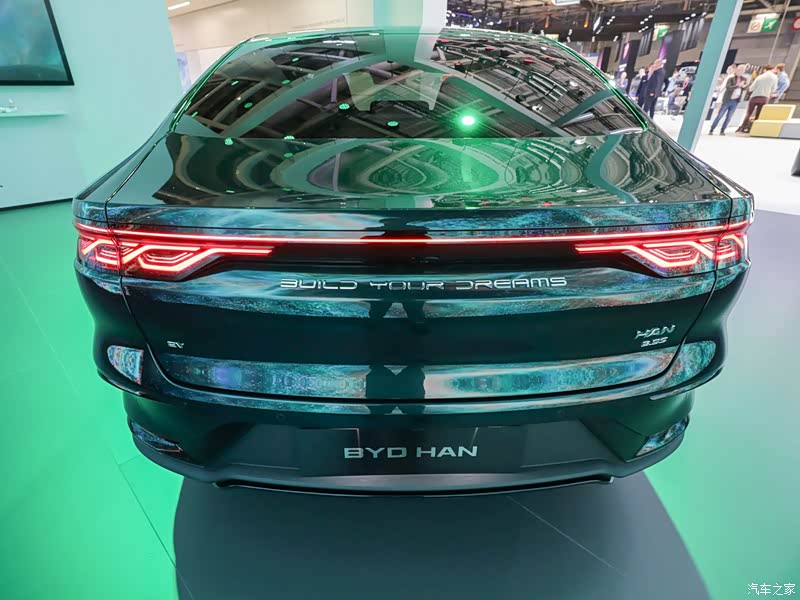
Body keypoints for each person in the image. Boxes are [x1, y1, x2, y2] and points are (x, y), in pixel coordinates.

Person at [737, 65, 778, 133]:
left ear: (765, 69)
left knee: (749, 113)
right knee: (759, 114)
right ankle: (753, 129)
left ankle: (743, 128)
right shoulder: (774, 77)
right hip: (765, 98)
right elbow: (774, 89)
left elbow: (751, 88)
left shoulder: (760, 77)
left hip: (754, 97)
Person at [710, 65, 747, 135]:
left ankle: (722, 130)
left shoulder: (744, 79)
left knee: (729, 117)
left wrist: (744, 87)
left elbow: (744, 88)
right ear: (737, 69)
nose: (741, 71)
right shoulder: (731, 78)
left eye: (743, 70)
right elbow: (728, 87)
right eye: (740, 69)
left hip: (735, 100)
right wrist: (738, 86)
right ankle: (712, 129)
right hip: (727, 99)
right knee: (720, 115)